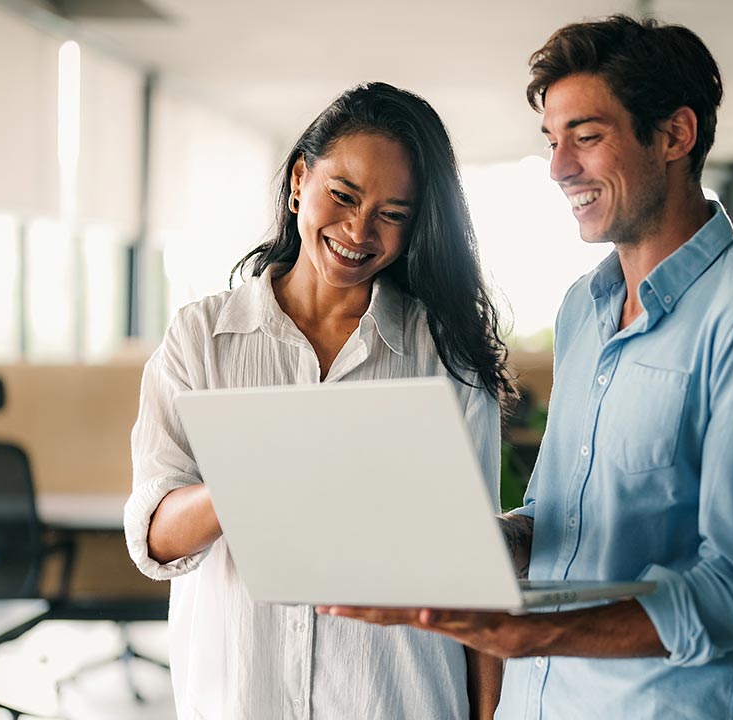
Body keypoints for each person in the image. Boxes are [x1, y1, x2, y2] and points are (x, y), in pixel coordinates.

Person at [325, 17, 733, 718]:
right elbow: (557, 517)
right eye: (552, 139)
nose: (558, 167)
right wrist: (479, 542)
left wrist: (525, 631)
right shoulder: (585, 310)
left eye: (587, 137)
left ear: (674, 135)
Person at [123, 82, 514, 720]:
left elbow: (475, 576)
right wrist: (258, 469)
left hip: (397, 700)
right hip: (243, 699)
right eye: (344, 195)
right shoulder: (201, 338)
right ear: (300, 179)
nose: (359, 230)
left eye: (393, 213)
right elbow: (155, 537)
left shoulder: (442, 354)